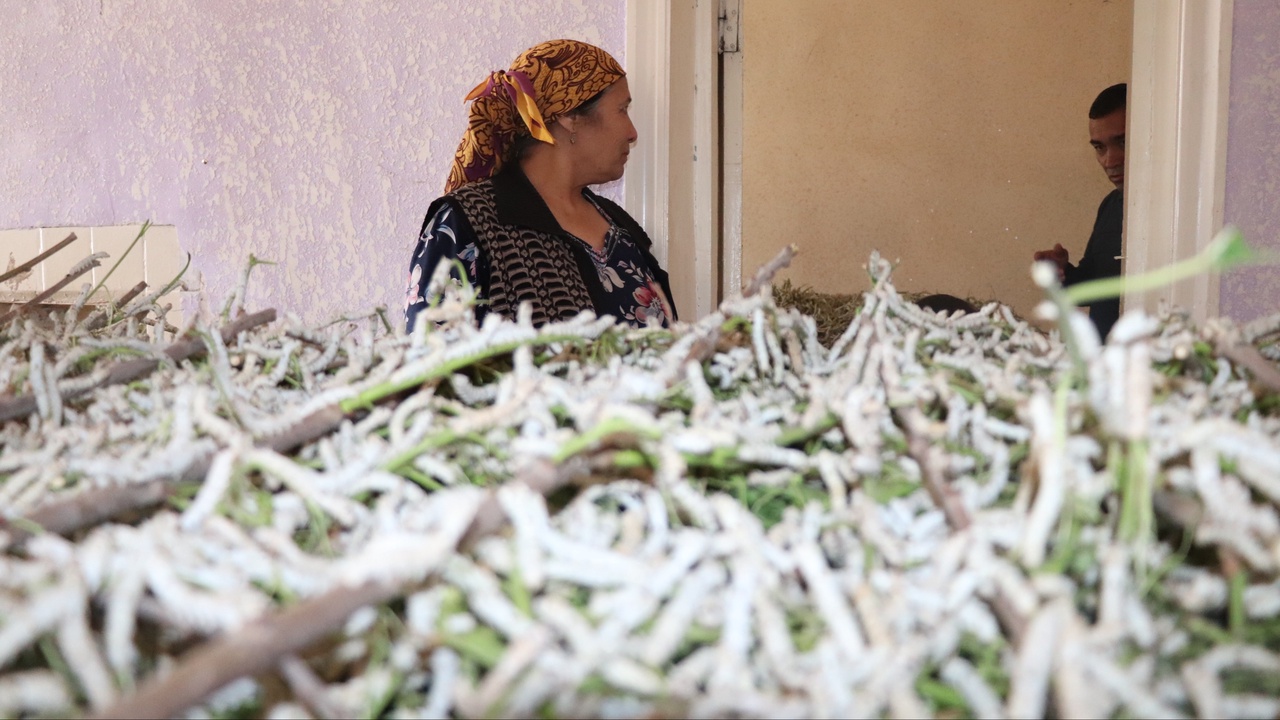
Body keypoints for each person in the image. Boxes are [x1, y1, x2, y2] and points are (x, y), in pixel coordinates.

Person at [404, 39, 677, 333]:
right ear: (569, 116)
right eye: (622, 109)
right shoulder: (469, 222)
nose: (632, 133)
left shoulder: (621, 227)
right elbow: (429, 351)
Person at [1033, 82, 1126, 341]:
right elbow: (1093, 287)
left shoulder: (1172, 211)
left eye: (1123, 142)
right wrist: (1063, 273)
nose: (1109, 161)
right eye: (1099, 147)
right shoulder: (1111, 204)